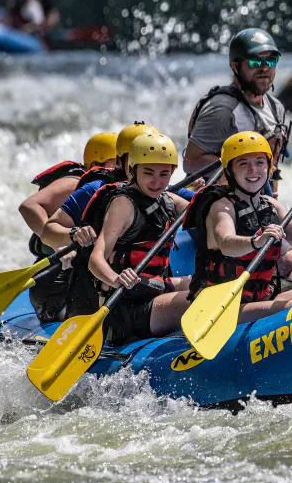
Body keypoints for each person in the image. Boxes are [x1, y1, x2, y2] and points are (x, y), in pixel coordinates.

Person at [183, 27, 292, 281]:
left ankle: (290, 297)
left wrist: (271, 195)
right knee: (287, 257)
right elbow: (191, 162)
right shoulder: (221, 108)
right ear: (236, 65)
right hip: (226, 206)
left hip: (259, 201)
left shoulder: (276, 108)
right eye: (255, 61)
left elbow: (272, 165)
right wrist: (238, 171)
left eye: (270, 60)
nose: (264, 68)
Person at [184, 132, 292, 322]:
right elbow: (226, 244)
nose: (253, 170)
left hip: (262, 295)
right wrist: (256, 241)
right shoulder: (222, 206)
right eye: (243, 163)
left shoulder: (271, 205)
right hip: (221, 306)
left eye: (259, 162)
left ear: (269, 167)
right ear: (229, 170)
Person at [66, 134, 192, 344]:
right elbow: (95, 260)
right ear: (133, 170)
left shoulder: (167, 200)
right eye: (148, 173)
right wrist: (116, 279)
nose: (156, 181)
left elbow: (202, 214)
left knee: (211, 286)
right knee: (199, 300)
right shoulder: (123, 204)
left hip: (154, 289)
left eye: (164, 174)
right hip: (126, 307)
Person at [18, 132, 118, 321]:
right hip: (54, 278)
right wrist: (58, 244)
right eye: (117, 161)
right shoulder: (74, 183)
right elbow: (29, 206)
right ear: (98, 161)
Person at [39, 122, 160, 253]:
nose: (146, 168)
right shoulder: (95, 189)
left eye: (155, 162)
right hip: (98, 269)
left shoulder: (166, 193)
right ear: (120, 161)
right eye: (137, 160)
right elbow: (47, 233)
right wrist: (74, 233)